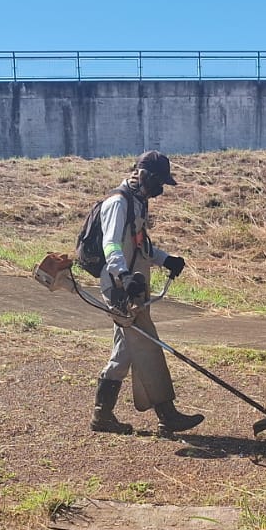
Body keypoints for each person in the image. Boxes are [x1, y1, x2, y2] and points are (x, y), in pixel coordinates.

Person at [90, 151, 205, 435]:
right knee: (147, 343)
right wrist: (123, 276)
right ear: (146, 176)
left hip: (132, 285)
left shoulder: (138, 202)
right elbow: (111, 245)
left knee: (127, 348)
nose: (161, 189)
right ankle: (167, 413)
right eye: (159, 182)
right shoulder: (118, 202)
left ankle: (102, 416)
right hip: (120, 287)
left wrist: (165, 259)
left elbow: (140, 245)